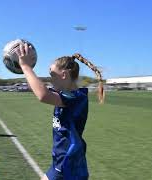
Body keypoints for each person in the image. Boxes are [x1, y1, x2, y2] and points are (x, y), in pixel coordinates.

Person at [16, 43, 104, 180]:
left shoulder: (75, 97)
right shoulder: (64, 94)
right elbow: (39, 88)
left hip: (68, 164)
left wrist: (25, 66)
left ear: (64, 74)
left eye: (52, 75)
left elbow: (43, 95)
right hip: (63, 162)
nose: (50, 80)